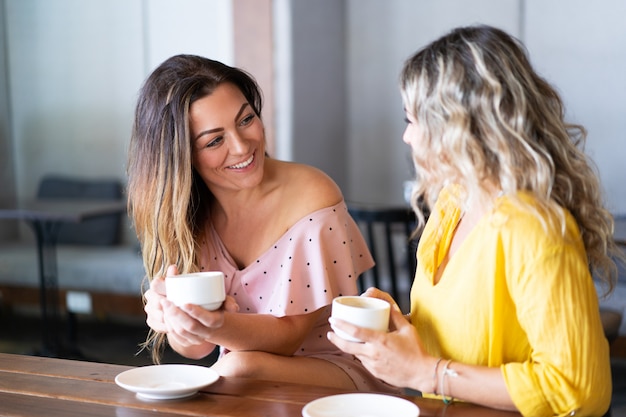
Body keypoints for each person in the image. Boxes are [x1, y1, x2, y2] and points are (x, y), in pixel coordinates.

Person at [328, 25, 622, 416]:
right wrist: (400, 327)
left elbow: (579, 391)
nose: (407, 138)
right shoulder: (452, 203)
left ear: (456, 129)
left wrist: (425, 372)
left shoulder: (533, 228)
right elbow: (466, 335)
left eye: (412, 120)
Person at [126, 54, 399, 393]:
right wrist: (177, 321)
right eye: (214, 140)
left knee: (237, 368)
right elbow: (197, 350)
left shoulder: (312, 194)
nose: (242, 146)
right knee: (231, 370)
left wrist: (213, 325)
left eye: (246, 119)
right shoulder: (185, 214)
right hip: (242, 376)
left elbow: (287, 338)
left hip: (338, 371)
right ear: (180, 157)